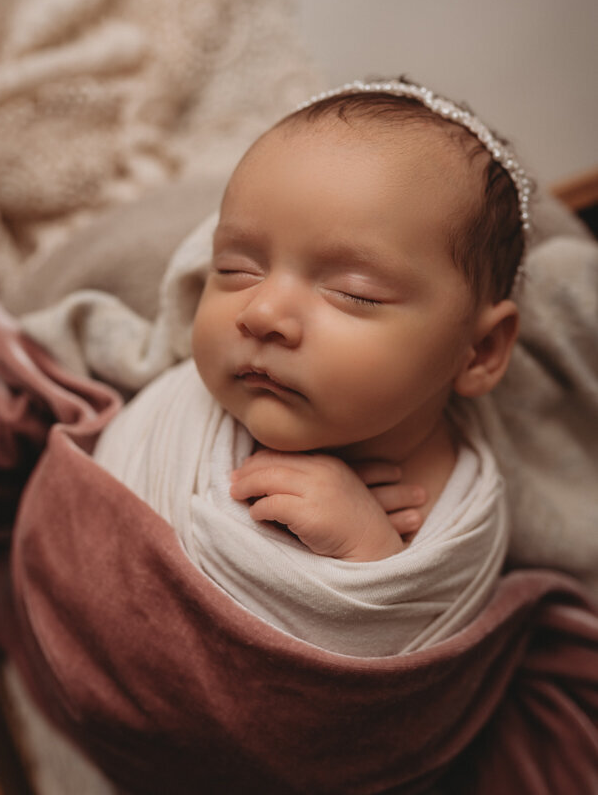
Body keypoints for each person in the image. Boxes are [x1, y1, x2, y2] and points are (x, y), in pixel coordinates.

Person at [93, 78, 531, 656]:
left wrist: (373, 559)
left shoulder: (461, 516)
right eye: (235, 269)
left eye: (355, 292)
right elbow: (97, 520)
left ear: (479, 352)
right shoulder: (182, 415)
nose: (263, 311)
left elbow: (404, 677)